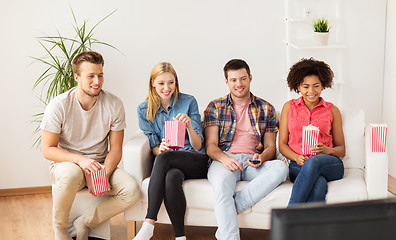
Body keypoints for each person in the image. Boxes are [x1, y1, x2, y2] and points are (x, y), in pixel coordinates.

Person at [41, 50, 140, 240]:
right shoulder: (59, 105)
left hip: (100, 165)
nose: (97, 81)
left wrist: (105, 173)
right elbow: (48, 149)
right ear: (77, 77)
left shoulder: (114, 104)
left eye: (100, 75)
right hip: (68, 166)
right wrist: (81, 160)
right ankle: (60, 227)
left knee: (131, 191)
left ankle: (85, 222)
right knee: (71, 173)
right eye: (91, 76)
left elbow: (116, 149)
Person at [204, 59, 288, 240]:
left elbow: (270, 147)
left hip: (252, 163)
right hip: (224, 160)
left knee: (281, 168)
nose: (239, 84)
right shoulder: (215, 107)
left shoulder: (266, 108)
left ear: (250, 78)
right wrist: (225, 159)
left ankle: (233, 206)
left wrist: (262, 157)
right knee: (221, 185)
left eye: (242, 79)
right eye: (233, 80)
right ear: (226, 82)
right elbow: (210, 146)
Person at [133, 62, 209, 240]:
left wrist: (189, 125)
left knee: (164, 160)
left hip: (195, 160)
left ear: (176, 83)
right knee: (171, 176)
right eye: (161, 83)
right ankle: (180, 237)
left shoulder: (188, 101)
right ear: (152, 83)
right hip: (168, 161)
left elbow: (198, 146)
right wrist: (161, 149)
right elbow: (155, 148)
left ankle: (149, 223)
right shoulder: (143, 110)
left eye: (171, 83)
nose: (166, 88)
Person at [278, 57, 345, 205]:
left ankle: (288, 218)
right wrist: (296, 157)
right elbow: (282, 144)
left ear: (322, 86)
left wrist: (327, 150)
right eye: (305, 86)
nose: (311, 91)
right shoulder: (289, 107)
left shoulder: (332, 110)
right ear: (298, 87)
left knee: (314, 162)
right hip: (298, 165)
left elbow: (341, 150)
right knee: (319, 184)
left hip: (330, 164)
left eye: (316, 86)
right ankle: (312, 228)